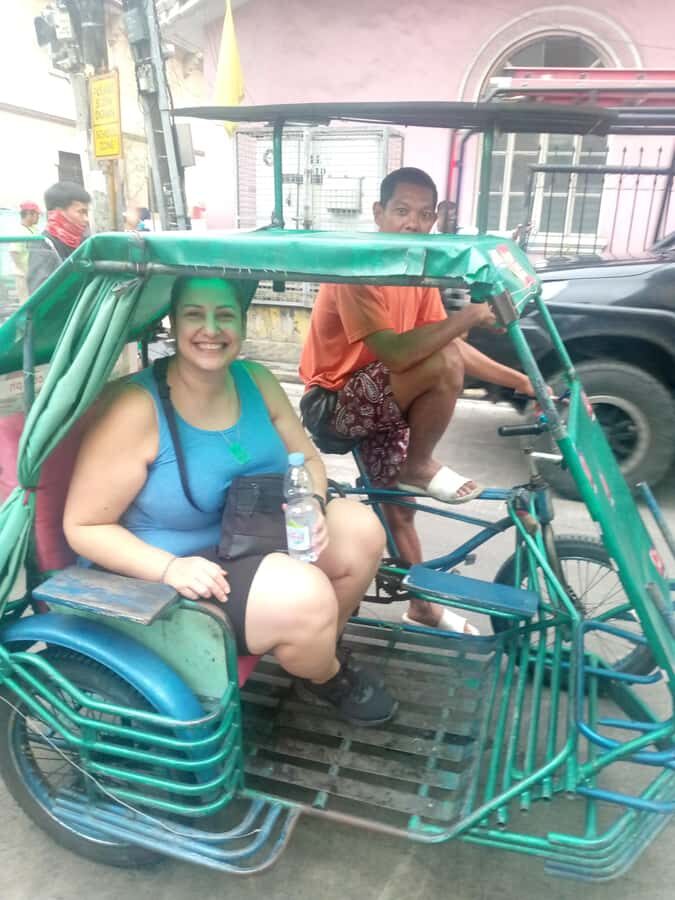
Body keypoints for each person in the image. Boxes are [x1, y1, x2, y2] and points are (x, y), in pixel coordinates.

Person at [63, 276, 397, 726]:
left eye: (225, 315)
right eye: (194, 315)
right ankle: (327, 675)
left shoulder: (255, 380)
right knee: (307, 596)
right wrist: (168, 569)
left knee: (361, 527)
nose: (211, 329)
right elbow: (83, 527)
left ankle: (314, 650)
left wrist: (314, 504)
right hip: (173, 567)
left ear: (242, 322)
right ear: (173, 323)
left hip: (254, 533)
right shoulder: (135, 408)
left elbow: (310, 460)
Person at [299, 167, 535, 633]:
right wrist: (466, 315)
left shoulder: (417, 274)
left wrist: (524, 383)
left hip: (380, 398)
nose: (413, 222)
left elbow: (445, 347)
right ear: (379, 213)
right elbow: (402, 352)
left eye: (425, 214)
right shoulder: (357, 269)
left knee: (399, 508)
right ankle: (418, 462)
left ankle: (421, 606)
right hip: (332, 404)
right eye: (403, 211)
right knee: (441, 362)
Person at [27, 181, 90, 295]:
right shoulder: (44, 246)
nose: (86, 219)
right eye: (81, 212)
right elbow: (40, 293)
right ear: (59, 213)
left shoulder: (85, 243)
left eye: (87, 213)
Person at [9, 201, 40, 302]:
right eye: (36, 214)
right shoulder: (19, 231)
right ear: (29, 214)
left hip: (34, 273)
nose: (38, 217)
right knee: (25, 302)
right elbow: (14, 252)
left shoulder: (34, 229)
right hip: (23, 275)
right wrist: (24, 270)